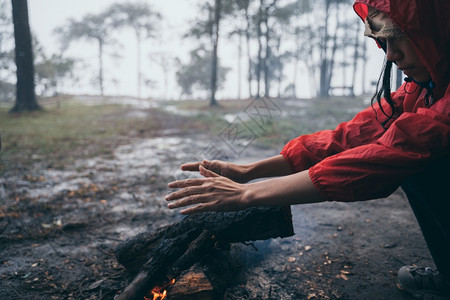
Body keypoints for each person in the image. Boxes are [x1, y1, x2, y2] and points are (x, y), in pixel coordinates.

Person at [165, 0, 450, 298]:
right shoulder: (425, 87)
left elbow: (385, 157)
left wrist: (245, 195)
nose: (391, 55)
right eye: (385, 41)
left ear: (437, 33)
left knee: (423, 166)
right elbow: (351, 137)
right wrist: (248, 171)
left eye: (400, 39)